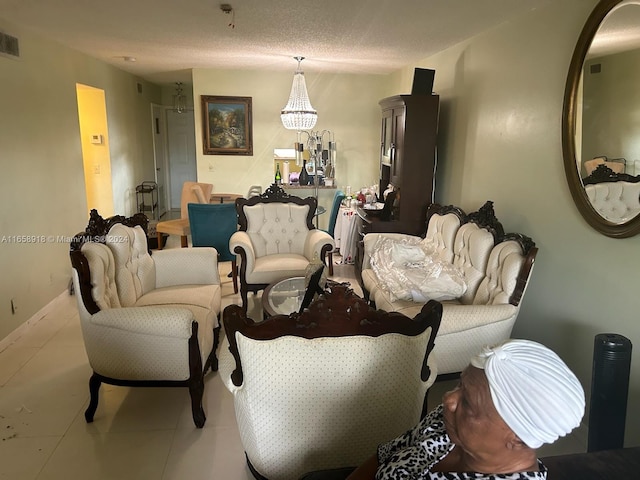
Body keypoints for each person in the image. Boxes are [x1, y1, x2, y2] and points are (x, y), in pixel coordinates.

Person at [344, 339, 585, 480]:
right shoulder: (447, 422)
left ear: (518, 438)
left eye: (468, 403)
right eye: (460, 384)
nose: (448, 399)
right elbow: (387, 453)